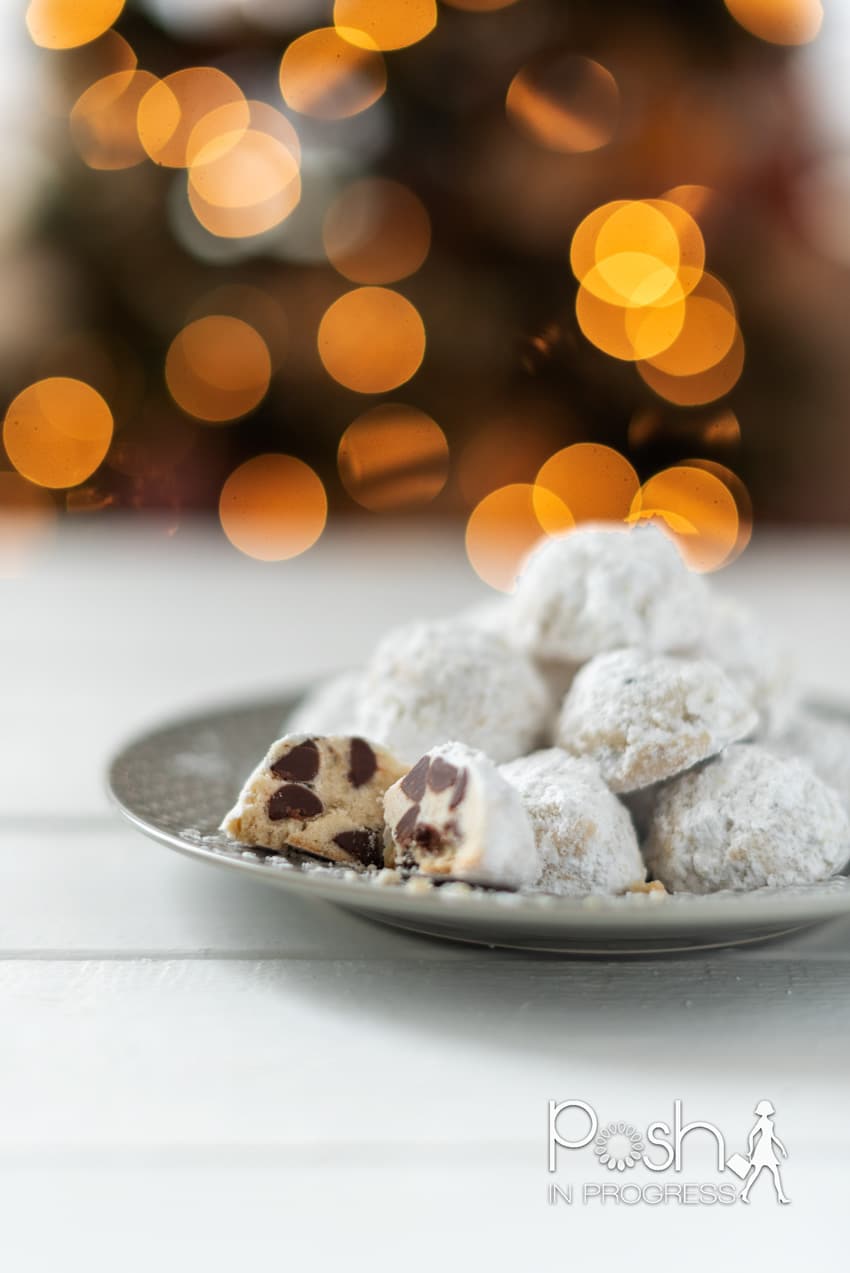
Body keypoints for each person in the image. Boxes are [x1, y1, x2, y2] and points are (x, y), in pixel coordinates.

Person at [740, 1100, 789, 1204]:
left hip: (768, 1148)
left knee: (772, 1173)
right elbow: (752, 1135)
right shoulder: (761, 1122)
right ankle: (745, 1192)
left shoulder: (770, 1123)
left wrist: (782, 1148)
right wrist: (751, 1150)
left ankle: (780, 1195)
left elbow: (772, 1137)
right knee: (760, 1172)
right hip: (762, 1149)